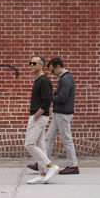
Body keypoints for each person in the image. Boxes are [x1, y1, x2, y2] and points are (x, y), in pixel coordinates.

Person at [27, 57, 79, 174]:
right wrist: (53, 94)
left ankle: (73, 165)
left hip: (63, 113)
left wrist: (49, 96)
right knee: (48, 138)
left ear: (58, 67)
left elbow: (62, 98)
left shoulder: (66, 79)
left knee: (66, 140)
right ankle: (43, 162)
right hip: (59, 113)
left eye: (52, 71)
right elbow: (60, 95)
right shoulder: (64, 78)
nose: (52, 73)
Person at [24, 55, 60, 184]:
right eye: (30, 63)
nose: (31, 66)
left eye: (34, 63)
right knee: (40, 146)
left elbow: (46, 102)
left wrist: (35, 117)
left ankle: (51, 166)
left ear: (41, 65)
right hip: (38, 117)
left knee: (29, 144)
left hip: (39, 117)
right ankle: (42, 173)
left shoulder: (44, 80)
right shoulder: (38, 79)